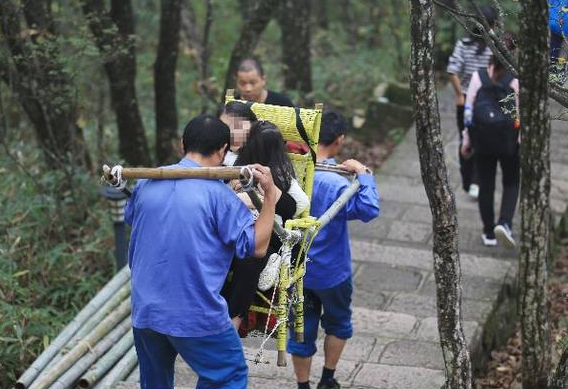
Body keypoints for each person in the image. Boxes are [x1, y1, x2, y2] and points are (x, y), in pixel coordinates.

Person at [124, 114, 277, 389]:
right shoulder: (219, 197)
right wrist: (270, 198)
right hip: (194, 311)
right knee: (228, 375)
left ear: (182, 144)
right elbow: (257, 247)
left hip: (146, 309)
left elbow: (133, 219)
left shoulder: (145, 184)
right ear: (222, 151)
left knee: (154, 384)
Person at [288, 109, 380, 389]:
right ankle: (328, 379)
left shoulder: (291, 172)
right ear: (339, 139)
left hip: (297, 272)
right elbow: (368, 209)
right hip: (333, 272)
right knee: (338, 324)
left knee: (300, 330)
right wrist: (363, 174)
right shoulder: (337, 183)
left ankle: (303, 385)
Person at [221, 119, 310, 331]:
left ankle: (233, 318)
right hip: (239, 231)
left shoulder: (281, 175)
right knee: (234, 256)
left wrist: (266, 193)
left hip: (269, 236)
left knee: (249, 260)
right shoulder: (236, 167)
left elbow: (298, 204)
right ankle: (226, 315)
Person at [461, 32, 520, 249]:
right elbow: (521, 114)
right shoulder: (516, 80)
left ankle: (488, 233)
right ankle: (504, 222)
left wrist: (466, 141)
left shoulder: (478, 77)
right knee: (511, 183)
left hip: (483, 141)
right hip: (510, 143)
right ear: (512, 52)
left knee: (486, 185)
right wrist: (521, 141)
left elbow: (468, 112)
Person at [447, 5, 498, 200]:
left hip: (466, 101)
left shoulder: (463, 44)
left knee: (465, 140)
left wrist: (460, 93)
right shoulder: (495, 47)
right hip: (486, 102)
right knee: (483, 141)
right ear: (492, 25)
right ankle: (476, 181)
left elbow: (452, 69)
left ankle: (469, 181)